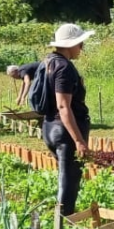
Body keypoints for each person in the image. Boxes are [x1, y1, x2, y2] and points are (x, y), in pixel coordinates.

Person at [43, 23, 94, 215]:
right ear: (70, 44)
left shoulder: (49, 61)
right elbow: (63, 106)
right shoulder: (64, 68)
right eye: (80, 43)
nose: (82, 48)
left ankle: (64, 219)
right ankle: (63, 225)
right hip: (64, 131)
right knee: (69, 179)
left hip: (49, 127)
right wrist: (79, 140)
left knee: (68, 175)